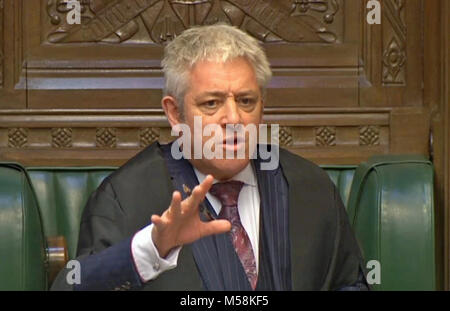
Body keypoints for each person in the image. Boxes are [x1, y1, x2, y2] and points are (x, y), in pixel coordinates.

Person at [52, 24, 368, 291]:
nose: (234, 118)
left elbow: (350, 282)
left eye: (246, 101)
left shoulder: (308, 185)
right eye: (211, 103)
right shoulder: (124, 196)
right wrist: (152, 249)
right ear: (175, 113)